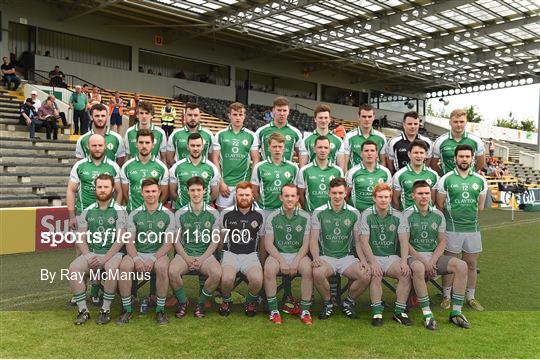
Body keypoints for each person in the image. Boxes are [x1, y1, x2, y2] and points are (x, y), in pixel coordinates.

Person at [403, 180, 471, 329]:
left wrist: (432, 261)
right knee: (420, 268)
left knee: (462, 265)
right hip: (413, 256)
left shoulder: (438, 214)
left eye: (427, 193)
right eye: (420, 193)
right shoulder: (406, 214)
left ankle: (456, 313)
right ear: (413, 195)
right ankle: (427, 314)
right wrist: (425, 262)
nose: (424, 196)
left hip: (433, 257)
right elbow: (405, 244)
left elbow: (442, 242)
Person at [69, 174, 127, 325]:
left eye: (106, 187)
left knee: (111, 269)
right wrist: (88, 256)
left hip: (113, 254)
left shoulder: (119, 210)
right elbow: (81, 238)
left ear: (113, 189)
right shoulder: (87, 211)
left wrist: (104, 258)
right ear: (95, 189)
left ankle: (105, 310)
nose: (102, 190)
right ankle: (83, 311)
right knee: (73, 268)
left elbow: (120, 240)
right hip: (93, 253)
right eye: (99, 187)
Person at [117, 178, 176, 326]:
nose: (151, 194)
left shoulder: (168, 214)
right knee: (124, 267)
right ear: (142, 193)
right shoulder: (135, 214)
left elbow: (168, 243)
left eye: (154, 191)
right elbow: (129, 241)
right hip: (137, 252)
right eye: (147, 191)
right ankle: (127, 309)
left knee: (162, 268)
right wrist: (136, 259)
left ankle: (160, 310)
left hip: (158, 254)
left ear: (159, 192)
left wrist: (153, 259)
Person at [436, 144, 488, 312]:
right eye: (461, 156)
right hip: (452, 229)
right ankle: (446, 296)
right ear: (455, 158)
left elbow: (480, 207)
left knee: (471, 264)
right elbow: (440, 204)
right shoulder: (446, 179)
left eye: (467, 156)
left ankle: (470, 297)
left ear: (472, 159)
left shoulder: (480, 180)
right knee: (451, 263)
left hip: (472, 229)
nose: (464, 159)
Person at [310, 177, 371, 320]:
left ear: (345, 194)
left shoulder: (354, 212)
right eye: (334, 193)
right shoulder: (318, 212)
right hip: (326, 257)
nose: (337, 196)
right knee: (317, 272)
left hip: (346, 257)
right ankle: (328, 303)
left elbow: (358, 241)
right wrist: (316, 257)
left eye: (340, 193)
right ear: (329, 193)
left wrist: (363, 260)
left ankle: (348, 303)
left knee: (366, 274)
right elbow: (313, 239)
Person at [358, 183, 412, 327]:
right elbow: (363, 242)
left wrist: (404, 261)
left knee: (405, 273)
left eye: (387, 197)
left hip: (390, 257)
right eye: (380, 197)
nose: (383, 200)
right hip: (373, 256)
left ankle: (399, 312)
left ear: (390, 198)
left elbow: (403, 240)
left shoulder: (398, 216)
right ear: (374, 198)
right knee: (376, 273)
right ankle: (377, 312)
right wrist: (373, 262)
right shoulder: (366, 214)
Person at [169, 176, 222, 319]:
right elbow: (176, 241)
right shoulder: (180, 213)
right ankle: (182, 302)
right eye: (193, 190)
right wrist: (187, 258)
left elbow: (215, 240)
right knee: (173, 271)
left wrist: (202, 258)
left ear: (205, 191)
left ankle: (200, 303)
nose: (196, 193)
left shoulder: (213, 213)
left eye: (199, 190)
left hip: (206, 255)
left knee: (216, 273)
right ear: (187, 192)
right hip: (185, 254)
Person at [264, 184, 313, 325]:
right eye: (286, 196)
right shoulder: (273, 216)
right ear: (281, 197)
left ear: (298, 198)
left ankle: (305, 310)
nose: (290, 199)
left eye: (293, 196)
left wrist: (296, 261)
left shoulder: (305, 216)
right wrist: (282, 261)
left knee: (308, 270)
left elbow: (306, 244)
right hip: (278, 254)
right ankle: (273, 311)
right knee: (269, 269)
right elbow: (268, 244)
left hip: (299, 254)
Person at [218, 182, 265, 317]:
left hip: (251, 255)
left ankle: (250, 302)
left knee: (257, 280)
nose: (244, 198)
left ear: (252, 196)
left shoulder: (260, 214)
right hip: (230, 254)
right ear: (235, 196)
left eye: (247, 195)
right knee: (227, 279)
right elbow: (221, 239)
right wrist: (220, 257)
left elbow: (262, 241)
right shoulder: (226, 213)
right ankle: (226, 300)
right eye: (241, 195)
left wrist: (262, 262)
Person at [211, 102, 259, 210]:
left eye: (241, 114)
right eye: (235, 114)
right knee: (223, 219)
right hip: (225, 185)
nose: (238, 117)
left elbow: (255, 159)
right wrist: (221, 182)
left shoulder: (251, 136)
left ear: (244, 116)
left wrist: (250, 182)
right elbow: (215, 159)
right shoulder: (220, 134)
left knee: (244, 218)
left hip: (243, 185)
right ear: (229, 115)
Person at [66, 134, 122, 227]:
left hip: (107, 216)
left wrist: (116, 212)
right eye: (94, 145)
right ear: (88, 146)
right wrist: (72, 216)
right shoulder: (79, 165)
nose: (97, 148)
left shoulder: (113, 166)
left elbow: (119, 192)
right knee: (81, 241)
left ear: (105, 146)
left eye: (100, 145)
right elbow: (71, 190)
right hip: (83, 215)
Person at [120, 129, 169, 213]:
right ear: (136, 144)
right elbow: (125, 193)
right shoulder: (126, 166)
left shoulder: (162, 167)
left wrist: (154, 211)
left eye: (147, 143)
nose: (144, 146)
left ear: (153, 145)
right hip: (132, 214)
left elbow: (164, 194)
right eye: (141, 142)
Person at [169, 133, 220, 209]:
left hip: (204, 212)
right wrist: (183, 205)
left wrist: (204, 204)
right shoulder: (177, 167)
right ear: (187, 147)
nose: (195, 148)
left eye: (198, 145)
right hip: (182, 211)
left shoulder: (212, 167)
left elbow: (214, 193)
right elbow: (173, 193)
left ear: (203, 147)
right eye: (192, 145)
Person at [251, 132, 298, 214]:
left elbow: (295, 191)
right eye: (274, 146)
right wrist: (263, 206)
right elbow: (255, 191)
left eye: (280, 147)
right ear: (269, 148)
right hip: (265, 211)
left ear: (284, 148)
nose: (277, 150)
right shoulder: (259, 167)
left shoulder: (293, 167)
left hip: (285, 212)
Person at [431, 109, 485, 175]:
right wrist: (445, 176)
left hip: (469, 182)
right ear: (450, 122)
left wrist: (469, 174)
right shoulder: (440, 141)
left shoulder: (476, 140)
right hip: (447, 182)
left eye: (461, 122)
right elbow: (434, 164)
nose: (459, 124)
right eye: (455, 122)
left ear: (466, 122)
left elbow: (481, 163)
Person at [296, 136, 343, 212]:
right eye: (320, 147)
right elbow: (301, 195)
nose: (323, 150)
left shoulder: (338, 171)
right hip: (311, 215)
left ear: (329, 150)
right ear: (314, 149)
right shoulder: (304, 171)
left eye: (326, 148)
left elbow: (341, 195)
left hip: (331, 215)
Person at [337, 104, 386, 173]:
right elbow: (345, 163)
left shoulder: (381, 137)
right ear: (359, 117)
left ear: (373, 117)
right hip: (355, 177)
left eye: (369, 116)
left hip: (375, 177)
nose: (367, 119)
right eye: (364, 116)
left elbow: (383, 161)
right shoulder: (349, 137)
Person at [392, 140, 439, 211]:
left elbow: (433, 199)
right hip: (406, 218)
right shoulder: (399, 175)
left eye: (421, 153)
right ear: (409, 154)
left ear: (426, 155)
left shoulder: (433, 175)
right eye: (415, 153)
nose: (419, 156)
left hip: (426, 218)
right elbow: (395, 201)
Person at [346, 140, 392, 213]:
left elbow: (389, 195)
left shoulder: (385, 172)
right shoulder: (352, 172)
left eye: (372, 150)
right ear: (361, 153)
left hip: (378, 215)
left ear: (377, 154)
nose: (369, 153)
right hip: (358, 214)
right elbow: (346, 195)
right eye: (366, 151)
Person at [254, 96, 303, 162]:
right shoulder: (261, 131)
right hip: (266, 171)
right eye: (279, 110)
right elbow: (254, 152)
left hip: (287, 171)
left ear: (288, 111)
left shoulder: (295, 132)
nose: (282, 113)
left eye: (284, 110)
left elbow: (301, 154)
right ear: (273, 110)